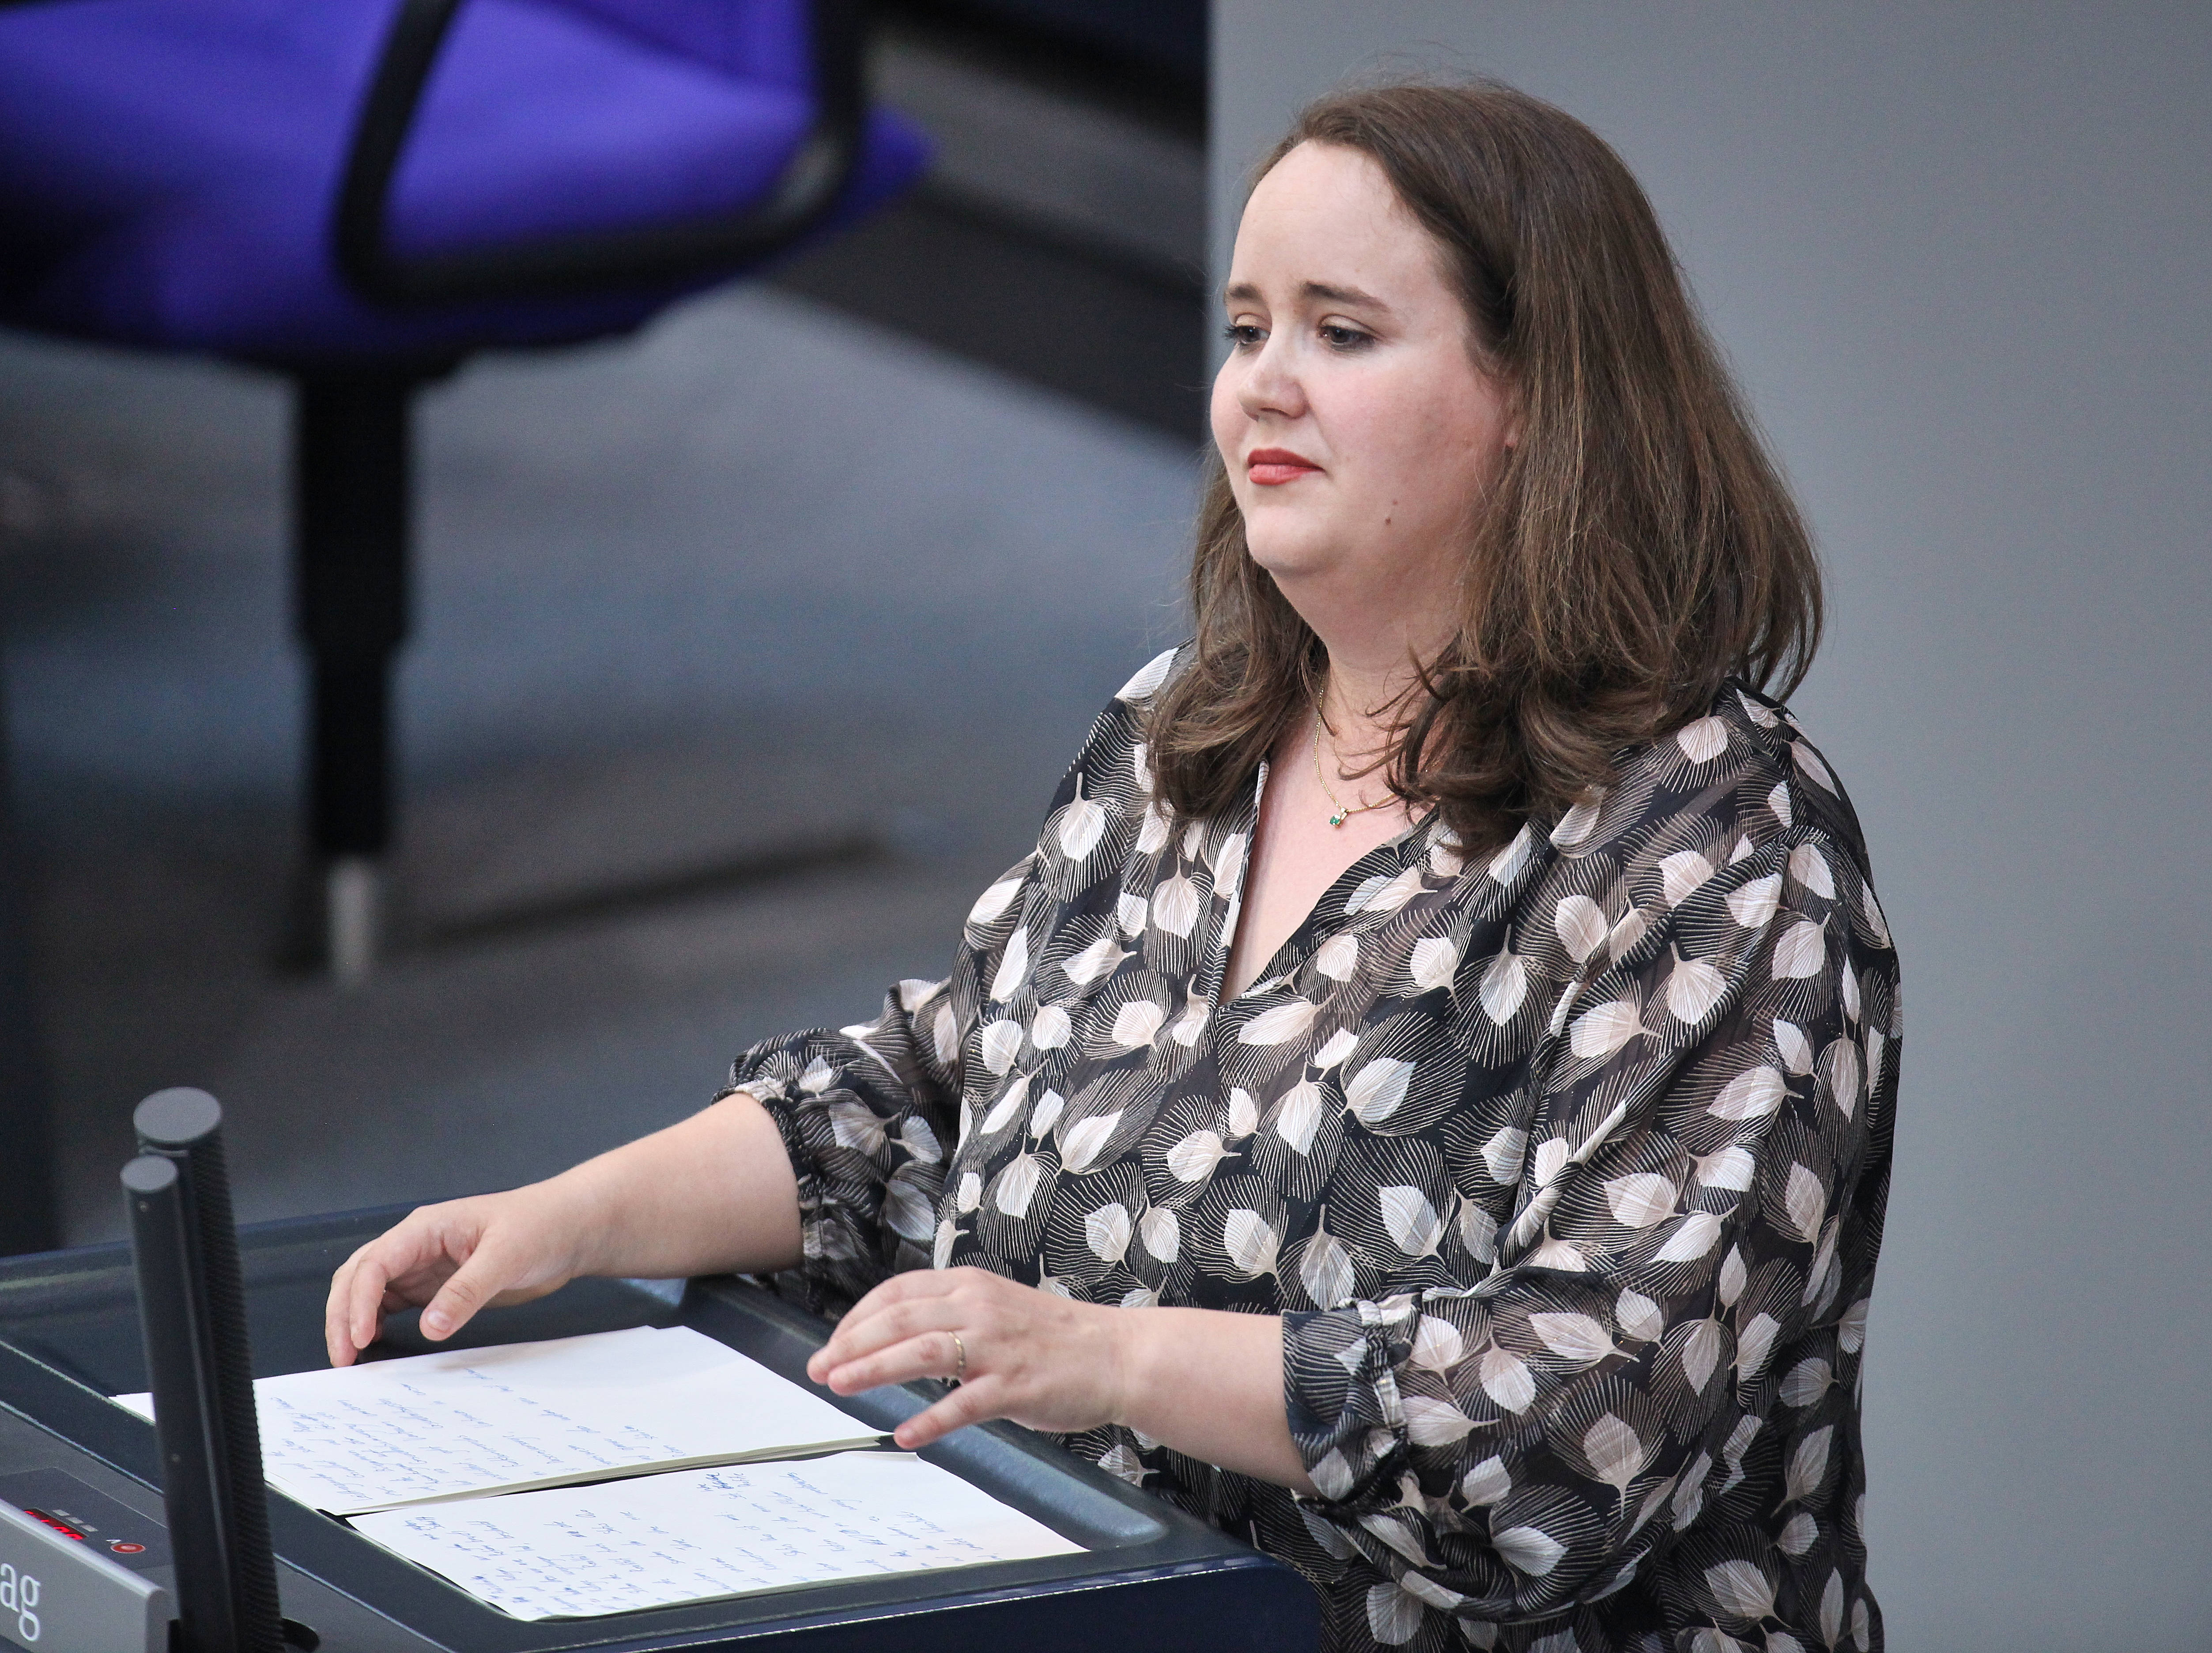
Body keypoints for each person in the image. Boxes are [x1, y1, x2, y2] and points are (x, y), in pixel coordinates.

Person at [326, 79, 1899, 1653]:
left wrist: (1108, 1358)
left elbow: (1580, 1426)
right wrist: (571, 1220)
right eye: (1246, 329)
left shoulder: (1721, 849)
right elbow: (931, 1105)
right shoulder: (1189, 729)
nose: (1264, 385)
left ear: (1540, 395)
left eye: (1342, 333)